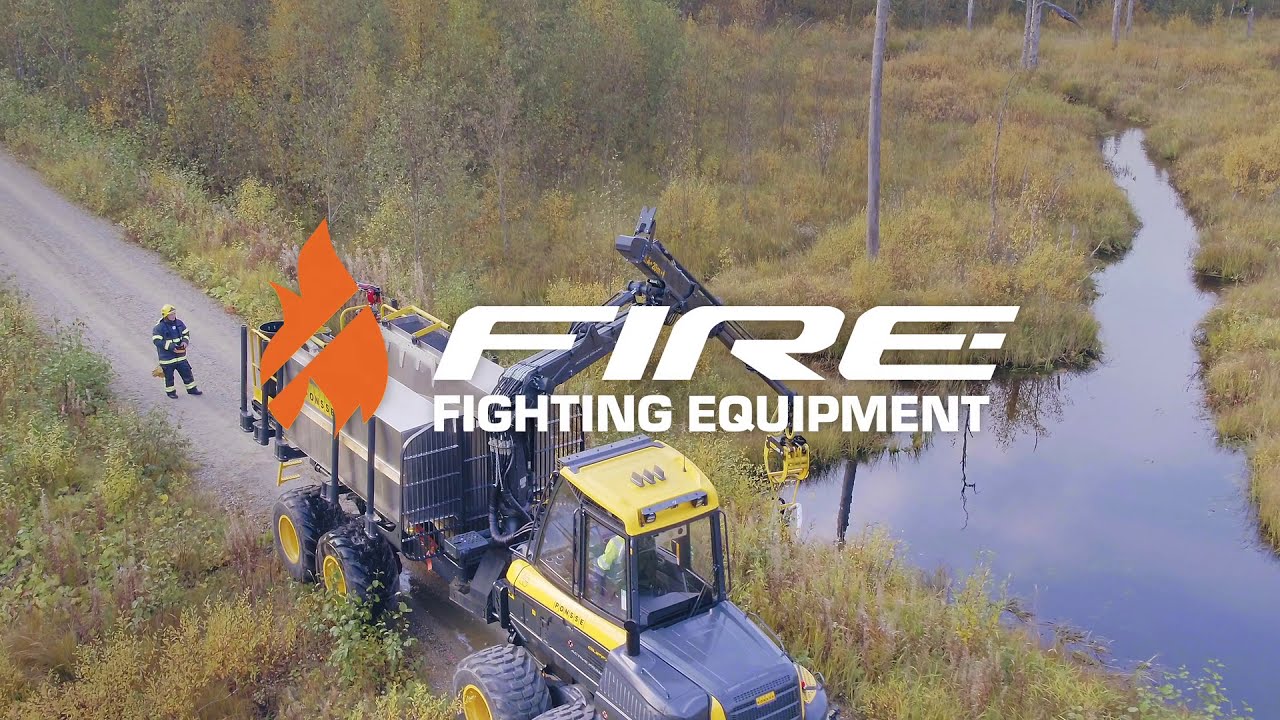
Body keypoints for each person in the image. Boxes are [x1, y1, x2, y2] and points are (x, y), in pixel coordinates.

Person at [153, 304, 202, 399]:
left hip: (181, 357)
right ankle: (171, 392)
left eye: (174, 314)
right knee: (169, 377)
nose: (173, 316)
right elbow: (157, 341)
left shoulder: (179, 323)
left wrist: (185, 342)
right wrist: (171, 347)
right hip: (167, 359)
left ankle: (192, 389)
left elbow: (186, 333)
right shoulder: (158, 328)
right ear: (165, 315)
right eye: (171, 314)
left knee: (187, 373)